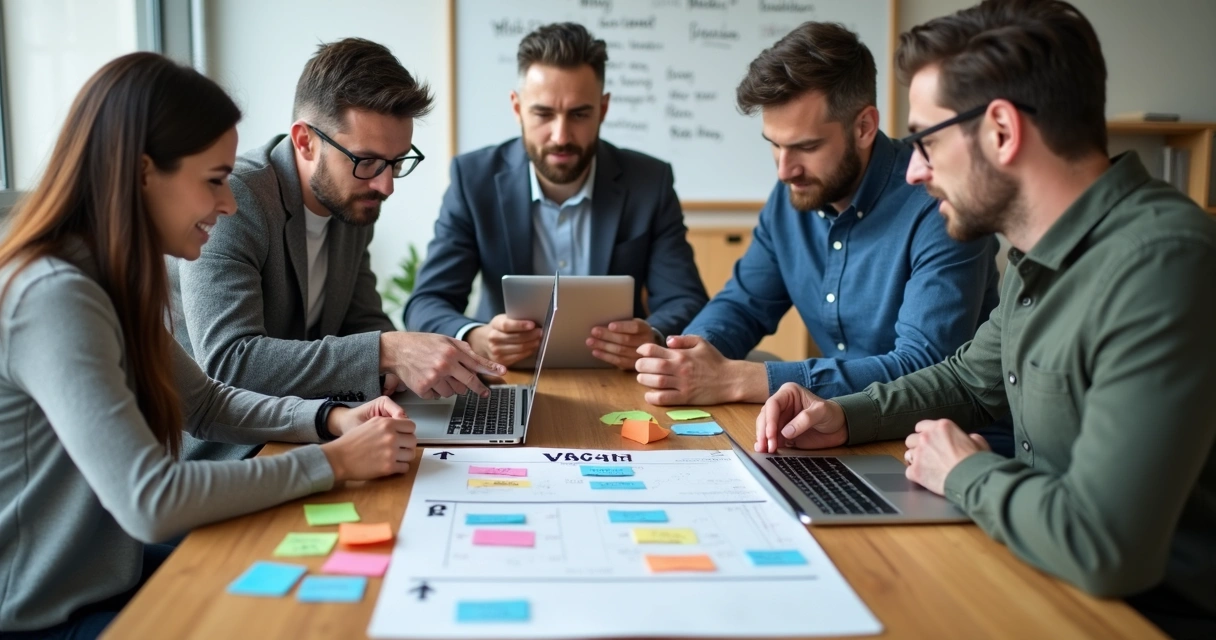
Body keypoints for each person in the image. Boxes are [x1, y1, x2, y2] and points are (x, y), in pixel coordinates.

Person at [754, 1, 1216, 636]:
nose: (913, 169)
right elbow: (967, 381)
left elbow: (1107, 548)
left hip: (1140, 615)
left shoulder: (1160, 264)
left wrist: (964, 472)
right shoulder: (1035, 250)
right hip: (1033, 563)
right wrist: (840, 417)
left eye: (926, 141)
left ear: (1001, 130)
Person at [0, 52, 417, 639]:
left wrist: (330, 420)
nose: (227, 204)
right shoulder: (54, 296)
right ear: (145, 172)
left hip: (110, 570)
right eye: (215, 181)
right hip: (48, 612)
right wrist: (335, 461)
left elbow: (207, 403)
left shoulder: (110, 278)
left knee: (313, 600)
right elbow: (153, 498)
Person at [634, 21, 1000, 409]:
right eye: (774, 145)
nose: (784, 170)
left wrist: (746, 379)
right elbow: (743, 305)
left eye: (805, 147)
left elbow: (923, 368)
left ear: (864, 127)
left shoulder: (939, 203)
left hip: (945, 438)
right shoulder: (793, 194)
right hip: (837, 431)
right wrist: (686, 353)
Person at [170, 38, 504, 462]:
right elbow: (230, 362)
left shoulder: (352, 203)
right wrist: (389, 352)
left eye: (397, 162)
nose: (386, 185)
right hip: (231, 449)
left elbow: (361, 319)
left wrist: (415, 366)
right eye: (366, 161)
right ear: (305, 141)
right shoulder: (238, 199)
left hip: (318, 431)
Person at [404, 22, 708, 370]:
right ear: (517, 108)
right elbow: (426, 302)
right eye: (543, 114)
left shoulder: (649, 182)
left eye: (579, 114)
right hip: (506, 377)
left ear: (603, 109)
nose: (561, 136)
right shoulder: (474, 180)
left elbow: (686, 299)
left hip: (622, 379)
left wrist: (653, 335)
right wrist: (475, 336)